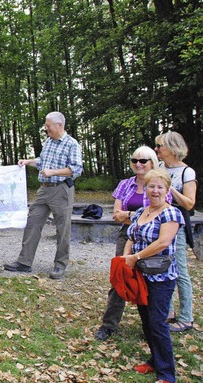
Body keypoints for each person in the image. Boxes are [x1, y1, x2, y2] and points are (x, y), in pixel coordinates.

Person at [94, 146, 168, 341]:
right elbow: (117, 215)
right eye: (134, 160)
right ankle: (108, 324)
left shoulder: (159, 185)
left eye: (143, 161)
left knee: (152, 282)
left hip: (152, 237)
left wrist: (130, 214)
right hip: (127, 235)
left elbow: (159, 213)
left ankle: (154, 328)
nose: (138, 164)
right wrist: (137, 215)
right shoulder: (125, 184)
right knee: (120, 278)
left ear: (152, 162)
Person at [3, 112, 83, 279]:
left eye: (48, 126)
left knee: (63, 228)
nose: (46, 129)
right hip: (44, 190)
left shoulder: (71, 144)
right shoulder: (49, 142)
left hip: (61, 189)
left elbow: (76, 169)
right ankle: (24, 262)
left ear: (59, 125)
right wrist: (27, 161)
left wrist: (53, 172)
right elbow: (42, 161)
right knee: (32, 222)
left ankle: (60, 265)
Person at [123, 168, 183, 383]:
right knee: (147, 321)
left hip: (162, 277)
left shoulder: (171, 213)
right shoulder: (141, 212)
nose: (155, 191)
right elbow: (131, 236)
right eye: (151, 186)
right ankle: (154, 361)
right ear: (145, 188)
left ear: (167, 190)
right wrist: (125, 259)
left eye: (160, 187)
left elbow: (163, 243)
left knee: (158, 322)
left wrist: (136, 257)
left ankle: (167, 375)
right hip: (141, 275)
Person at [155, 131, 196, 333]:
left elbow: (189, 203)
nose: (157, 150)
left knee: (180, 269)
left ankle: (187, 317)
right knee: (164, 266)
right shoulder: (160, 167)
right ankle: (168, 312)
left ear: (171, 148)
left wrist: (170, 189)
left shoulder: (186, 172)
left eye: (160, 146)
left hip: (177, 223)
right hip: (160, 220)